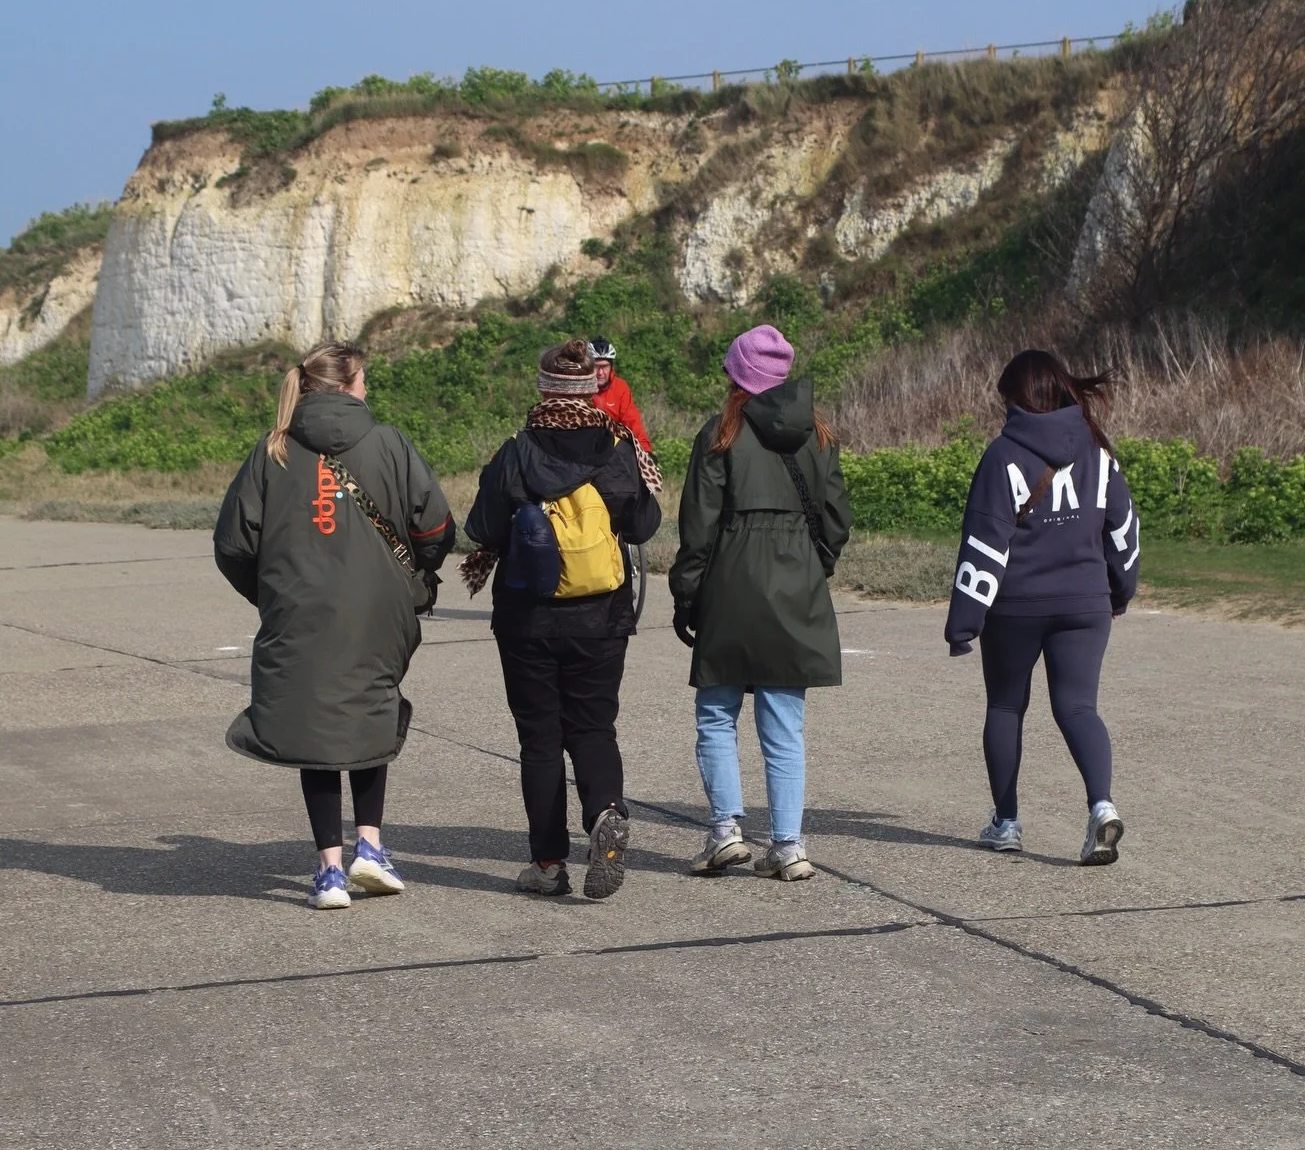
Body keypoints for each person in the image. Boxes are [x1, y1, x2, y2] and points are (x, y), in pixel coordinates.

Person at [214, 341, 455, 908]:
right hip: (378, 607)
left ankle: (328, 872)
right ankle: (369, 848)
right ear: (348, 385)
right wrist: (414, 573)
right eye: (365, 379)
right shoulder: (388, 442)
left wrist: (270, 592)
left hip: (297, 609)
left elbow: (232, 544)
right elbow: (436, 526)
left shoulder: (272, 450)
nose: (368, 388)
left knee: (313, 728)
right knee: (370, 710)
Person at [465, 338, 663, 899]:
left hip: (528, 618)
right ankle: (605, 813)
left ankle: (548, 864)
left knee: (540, 741)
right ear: (591, 388)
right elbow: (644, 525)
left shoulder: (516, 451)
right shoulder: (618, 447)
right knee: (594, 729)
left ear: (544, 389)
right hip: (601, 615)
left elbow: (481, 528)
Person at [670, 324, 852, 881]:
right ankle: (788, 845)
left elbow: (698, 526)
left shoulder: (720, 434)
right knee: (784, 725)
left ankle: (726, 831)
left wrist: (687, 594)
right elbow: (837, 522)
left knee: (717, 714)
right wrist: (808, 569)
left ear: (736, 376)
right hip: (796, 585)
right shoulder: (819, 436)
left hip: (730, 582)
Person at [944, 348, 1139, 866]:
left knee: (1006, 706)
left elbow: (985, 542)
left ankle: (1006, 824)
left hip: (1016, 606)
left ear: (1019, 399)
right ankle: (1102, 808)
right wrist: (1119, 592)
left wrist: (964, 622)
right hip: (1086, 603)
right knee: (1078, 708)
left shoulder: (1002, 455)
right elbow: (1123, 532)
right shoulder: (1101, 453)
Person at [589, 337, 653, 451]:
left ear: (611, 367)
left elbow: (633, 422)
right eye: (596, 366)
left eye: (604, 367)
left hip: (612, 448)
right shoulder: (578, 387)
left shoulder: (620, 388)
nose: (600, 373)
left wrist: (646, 451)